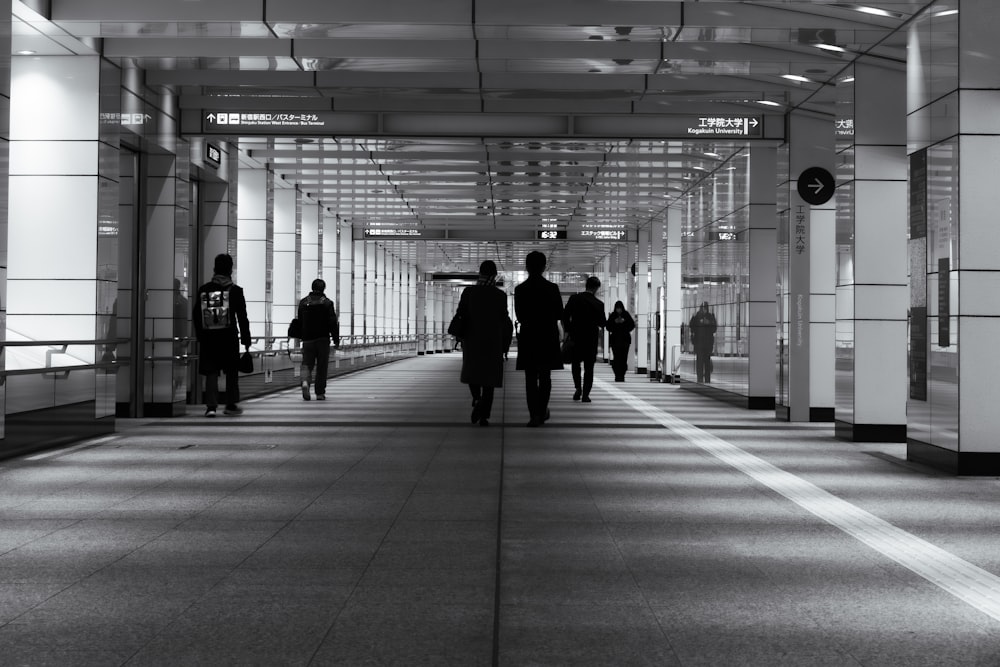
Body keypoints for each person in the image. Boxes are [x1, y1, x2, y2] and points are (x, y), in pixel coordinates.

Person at [455, 260, 513, 427]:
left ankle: (477, 398)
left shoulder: (468, 292)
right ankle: (484, 414)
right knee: (489, 378)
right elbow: (503, 320)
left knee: (472, 372)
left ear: (480, 273)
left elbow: (461, 314)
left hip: (471, 339)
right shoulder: (500, 296)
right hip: (492, 341)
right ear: (494, 275)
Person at [193, 253, 251, 417]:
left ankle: (211, 407)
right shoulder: (236, 291)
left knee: (211, 371)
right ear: (230, 270)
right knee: (231, 371)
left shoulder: (205, 290)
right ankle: (230, 404)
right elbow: (242, 318)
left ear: (215, 268)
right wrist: (246, 339)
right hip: (229, 337)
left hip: (209, 338)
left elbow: (197, 315)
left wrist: (200, 336)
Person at [514, 251, 564, 427]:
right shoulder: (552, 288)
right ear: (544, 267)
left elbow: (520, 315)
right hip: (547, 336)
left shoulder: (520, 290)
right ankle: (542, 411)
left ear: (527, 267)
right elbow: (559, 313)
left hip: (529, 337)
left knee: (530, 378)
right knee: (545, 376)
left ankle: (534, 414)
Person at [562, 276, 606, 402]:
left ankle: (578, 388)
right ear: (597, 288)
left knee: (576, 364)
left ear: (586, 285)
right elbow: (602, 323)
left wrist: (569, 330)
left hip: (576, 338)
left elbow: (565, 316)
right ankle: (586, 394)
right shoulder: (599, 304)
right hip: (591, 340)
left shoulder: (574, 298)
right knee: (589, 368)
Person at [297, 278, 340, 401]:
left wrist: (301, 337)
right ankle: (320, 393)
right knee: (322, 366)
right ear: (323, 289)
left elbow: (300, 321)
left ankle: (305, 381)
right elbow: (333, 323)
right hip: (322, 339)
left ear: (312, 287)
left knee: (306, 364)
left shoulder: (303, 302)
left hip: (307, 340)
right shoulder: (327, 303)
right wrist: (336, 340)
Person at [605, 300, 635, 382]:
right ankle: (617, 375)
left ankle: (622, 375)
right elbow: (608, 327)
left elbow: (632, 325)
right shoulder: (613, 316)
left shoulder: (626, 315)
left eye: (620, 308)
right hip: (615, 340)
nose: (619, 310)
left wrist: (623, 323)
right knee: (616, 358)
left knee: (623, 358)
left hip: (625, 340)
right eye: (617, 308)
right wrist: (615, 322)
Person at [689, 300, 717, 383]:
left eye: (705, 308)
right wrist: (694, 318)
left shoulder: (710, 316)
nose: (704, 310)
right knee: (699, 362)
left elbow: (714, 329)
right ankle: (700, 378)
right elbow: (692, 327)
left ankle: (707, 378)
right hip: (699, 343)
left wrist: (708, 323)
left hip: (708, 344)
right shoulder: (696, 316)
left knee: (707, 361)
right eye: (703, 308)